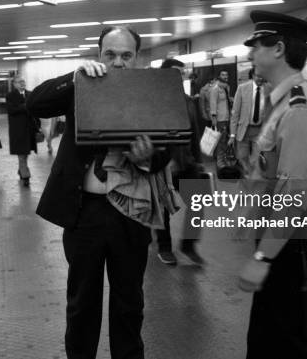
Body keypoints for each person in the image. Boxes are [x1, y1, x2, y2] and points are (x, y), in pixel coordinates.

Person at [26, 26, 171, 359]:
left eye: (125, 55)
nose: (117, 62)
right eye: (110, 54)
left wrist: (149, 157)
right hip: (83, 212)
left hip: (130, 212)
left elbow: (168, 149)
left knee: (129, 303)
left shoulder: (151, 93)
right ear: (99, 54)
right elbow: (35, 103)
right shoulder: (81, 84)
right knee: (81, 304)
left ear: (137, 57)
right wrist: (74, 76)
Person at [238, 10, 307, 359]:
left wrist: (263, 257)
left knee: (291, 338)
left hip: (290, 243)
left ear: (278, 49)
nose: (250, 55)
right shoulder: (282, 103)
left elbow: (293, 197)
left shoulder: (298, 110)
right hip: (280, 239)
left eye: (256, 47)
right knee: (272, 334)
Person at [153, 59, 205, 266]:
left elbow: (195, 134)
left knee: (199, 203)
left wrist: (199, 161)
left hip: (187, 162)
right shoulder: (152, 102)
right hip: (162, 164)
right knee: (162, 207)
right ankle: (164, 248)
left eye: (181, 74)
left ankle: (189, 245)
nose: (179, 77)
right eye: (174, 73)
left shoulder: (189, 101)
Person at [228, 67, 269, 178]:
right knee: (242, 156)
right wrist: (232, 135)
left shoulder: (268, 89)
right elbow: (235, 113)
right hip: (244, 130)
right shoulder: (242, 88)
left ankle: (253, 180)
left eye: (262, 76)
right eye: (257, 76)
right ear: (252, 75)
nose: (260, 78)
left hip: (260, 130)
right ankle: (248, 174)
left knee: (256, 159)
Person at [6, 76, 37, 186]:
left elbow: (35, 109)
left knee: (25, 153)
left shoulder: (30, 94)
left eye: (23, 81)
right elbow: (11, 110)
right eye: (20, 82)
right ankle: (26, 176)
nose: (22, 83)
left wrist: (38, 126)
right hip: (17, 129)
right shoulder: (10, 96)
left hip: (29, 129)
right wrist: (25, 106)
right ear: (14, 84)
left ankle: (21, 170)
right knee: (21, 154)